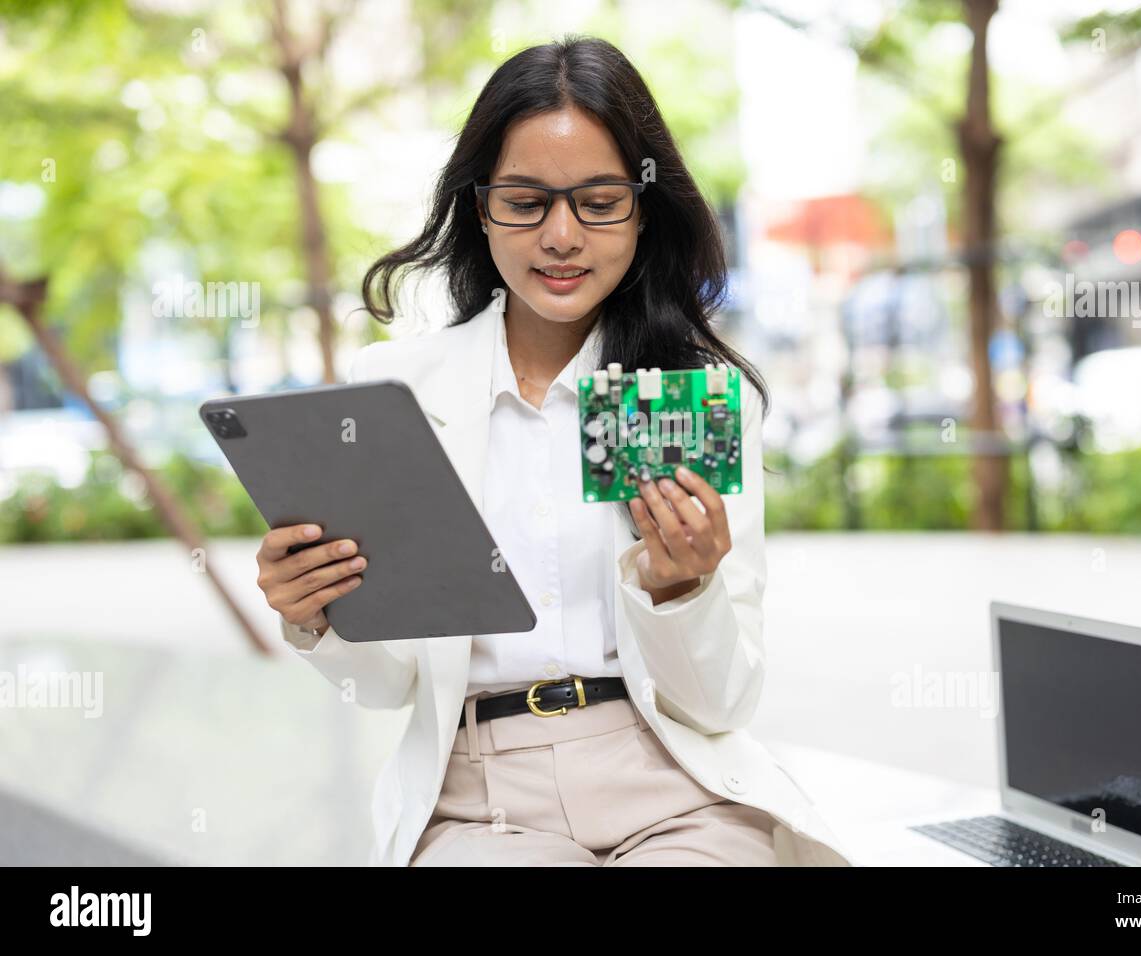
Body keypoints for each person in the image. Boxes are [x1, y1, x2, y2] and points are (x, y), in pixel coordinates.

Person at [254, 34, 854, 867]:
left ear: (645, 210)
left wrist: (685, 588)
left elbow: (722, 702)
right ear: (479, 208)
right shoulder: (397, 390)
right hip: (478, 806)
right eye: (526, 201)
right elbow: (386, 686)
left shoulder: (694, 393)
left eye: (600, 201)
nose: (562, 236)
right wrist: (316, 615)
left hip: (674, 785)